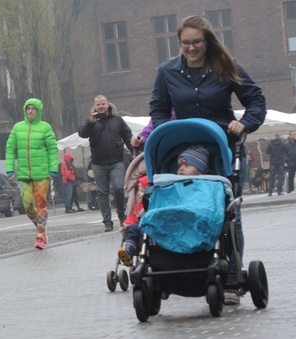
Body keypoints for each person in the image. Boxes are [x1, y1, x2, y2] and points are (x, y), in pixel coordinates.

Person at [149, 15, 266, 305]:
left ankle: (231, 274)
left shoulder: (225, 67)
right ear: (179, 43)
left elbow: (256, 100)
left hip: (221, 148)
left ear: (207, 41)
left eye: (197, 42)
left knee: (227, 213)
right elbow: (159, 109)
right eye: (185, 43)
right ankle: (174, 269)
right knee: (179, 206)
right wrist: (166, 134)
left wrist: (245, 123)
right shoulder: (167, 72)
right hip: (183, 152)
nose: (191, 48)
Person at [117, 146, 209, 266]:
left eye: (186, 166)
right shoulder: (170, 186)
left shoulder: (205, 187)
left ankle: (147, 252)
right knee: (136, 228)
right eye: (179, 166)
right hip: (167, 223)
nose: (181, 169)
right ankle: (132, 251)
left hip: (188, 223)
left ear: (200, 171)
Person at [5, 98, 59, 249]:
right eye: (28, 108)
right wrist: (9, 168)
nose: (30, 111)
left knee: (41, 204)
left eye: (33, 109)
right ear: (24, 110)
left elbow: (52, 149)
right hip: (23, 174)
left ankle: (40, 236)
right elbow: (10, 149)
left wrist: (53, 169)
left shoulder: (45, 128)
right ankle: (41, 227)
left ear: (39, 111)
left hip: (42, 173)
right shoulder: (17, 128)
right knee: (28, 206)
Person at [78, 94, 134, 232]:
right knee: (102, 193)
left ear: (108, 104)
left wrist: (134, 152)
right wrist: (90, 123)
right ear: (95, 106)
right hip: (98, 163)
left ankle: (122, 215)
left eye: (103, 103)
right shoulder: (90, 121)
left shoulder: (117, 120)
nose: (101, 106)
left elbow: (127, 136)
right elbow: (82, 134)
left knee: (118, 188)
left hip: (116, 161)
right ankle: (107, 222)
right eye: (98, 104)